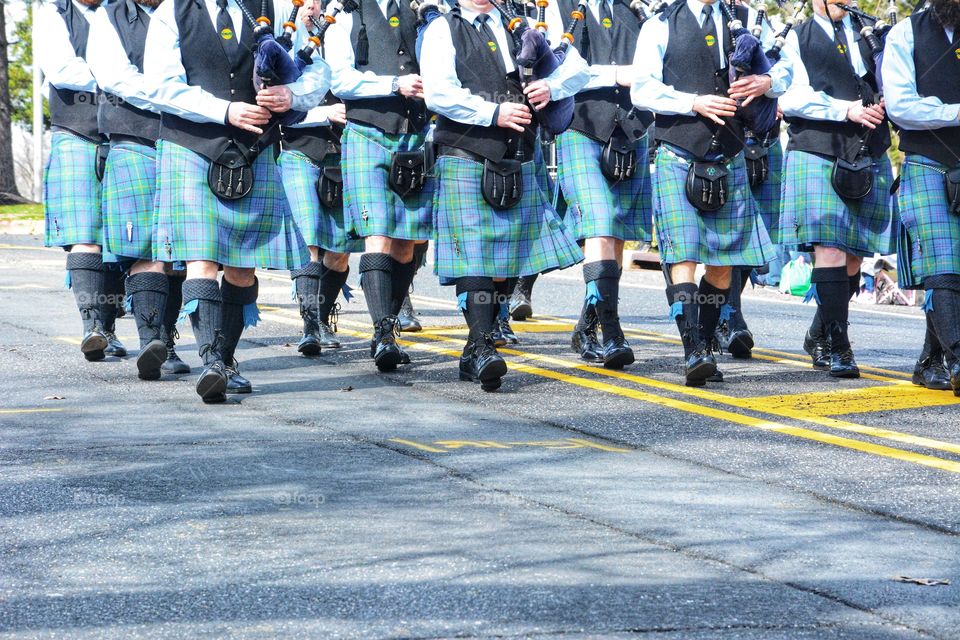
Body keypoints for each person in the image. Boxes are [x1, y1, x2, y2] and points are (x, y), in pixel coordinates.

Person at [144, 0, 331, 402]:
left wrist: (293, 94)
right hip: (191, 146)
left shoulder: (273, 8)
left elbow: (318, 69)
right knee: (201, 258)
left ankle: (226, 359)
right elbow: (160, 86)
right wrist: (225, 110)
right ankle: (211, 360)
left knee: (243, 267)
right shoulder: (172, 11)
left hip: (254, 149)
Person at [420, 0, 589, 390]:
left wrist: (552, 86)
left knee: (504, 260)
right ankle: (483, 346)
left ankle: (472, 351)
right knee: (474, 256)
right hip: (464, 153)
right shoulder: (443, 29)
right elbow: (439, 93)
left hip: (518, 156)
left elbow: (579, 67)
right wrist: (492, 113)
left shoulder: (523, 25)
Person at [631, 0, 791, 386]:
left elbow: (787, 68)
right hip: (677, 151)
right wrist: (692, 102)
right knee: (683, 254)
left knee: (722, 264)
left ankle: (703, 342)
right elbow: (642, 88)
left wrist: (767, 82)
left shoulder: (746, 19)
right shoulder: (660, 23)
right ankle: (693, 350)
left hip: (730, 155)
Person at [779, 0, 897, 379]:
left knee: (853, 256)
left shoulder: (872, 35)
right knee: (829, 248)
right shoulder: (797, 37)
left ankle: (818, 333)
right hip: (817, 149)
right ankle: (839, 345)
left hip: (867, 151)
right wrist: (846, 110)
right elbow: (789, 96)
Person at [324, 0, 435, 371]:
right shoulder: (345, 13)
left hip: (415, 136)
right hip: (366, 132)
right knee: (378, 234)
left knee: (407, 243)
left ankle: (386, 329)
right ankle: (383, 333)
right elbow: (339, 79)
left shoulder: (421, 13)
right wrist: (393, 84)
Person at [87, 0, 193, 382]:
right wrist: (178, 97)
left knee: (178, 254)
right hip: (135, 140)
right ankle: (152, 341)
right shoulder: (109, 16)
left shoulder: (189, 12)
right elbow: (116, 77)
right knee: (142, 247)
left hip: (189, 142)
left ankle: (166, 340)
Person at [546, 0, 653, 369]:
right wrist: (616, 75)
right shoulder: (557, 8)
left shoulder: (635, 10)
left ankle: (587, 326)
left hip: (631, 131)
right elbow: (554, 70)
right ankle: (613, 332)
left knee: (616, 235)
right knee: (601, 225)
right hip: (580, 127)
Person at [38, 0, 128, 362]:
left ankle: (109, 327)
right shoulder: (54, 13)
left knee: (121, 236)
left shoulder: (124, 11)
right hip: (76, 133)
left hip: (126, 135)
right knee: (85, 234)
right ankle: (92, 327)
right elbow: (63, 69)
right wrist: (125, 77)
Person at [883, 0, 960, 392]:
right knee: (943, 264)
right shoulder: (905, 33)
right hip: (930, 162)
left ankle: (931, 359)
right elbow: (900, 106)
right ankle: (957, 358)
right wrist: (956, 113)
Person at [281, 0, 362, 355]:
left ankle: (323, 316)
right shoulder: (286, 45)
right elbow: (281, 109)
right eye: (304, 2)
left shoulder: (343, 37)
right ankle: (310, 325)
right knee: (309, 241)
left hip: (343, 155)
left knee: (340, 250)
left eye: (317, 1)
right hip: (299, 151)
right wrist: (325, 113)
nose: (311, 7)